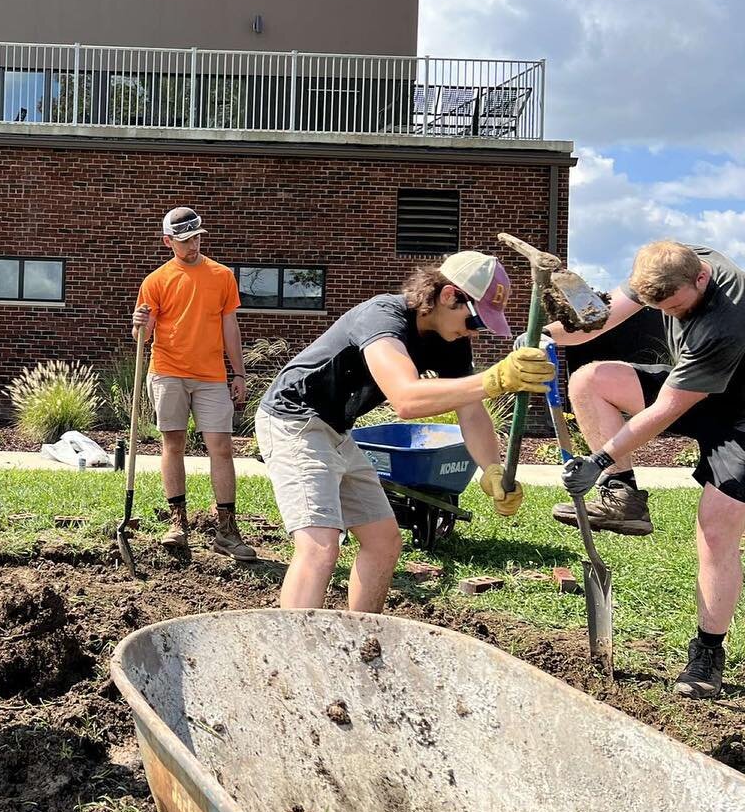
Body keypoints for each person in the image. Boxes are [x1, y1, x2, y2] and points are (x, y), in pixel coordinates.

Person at [255, 251, 554, 612]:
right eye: (475, 321)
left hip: (335, 431)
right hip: (295, 421)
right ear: (448, 296)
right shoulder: (383, 316)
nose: (475, 332)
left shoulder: (451, 342)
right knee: (320, 546)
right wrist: (495, 379)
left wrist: (493, 468)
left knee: (383, 541)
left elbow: (471, 410)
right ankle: (292, 661)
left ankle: (363, 639)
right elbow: (406, 399)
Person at [548, 241, 745, 698]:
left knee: (716, 530)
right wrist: (548, 335)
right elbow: (597, 319)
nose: (671, 315)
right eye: (661, 308)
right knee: (589, 380)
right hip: (699, 388)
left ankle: (707, 653)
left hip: (739, 419)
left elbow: (665, 412)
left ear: (701, 279)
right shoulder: (666, 267)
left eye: (675, 307)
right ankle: (623, 497)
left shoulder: (727, 322)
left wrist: (597, 461)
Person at [132, 207, 258, 561]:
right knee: (173, 444)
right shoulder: (156, 280)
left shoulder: (221, 276)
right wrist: (139, 322)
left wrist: (239, 372)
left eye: (197, 238)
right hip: (168, 371)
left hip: (211, 377)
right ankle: (178, 524)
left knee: (222, 447)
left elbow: (230, 327)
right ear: (168, 241)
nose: (193, 245)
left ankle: (227, 531)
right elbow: (143, 336)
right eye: (185, 240)